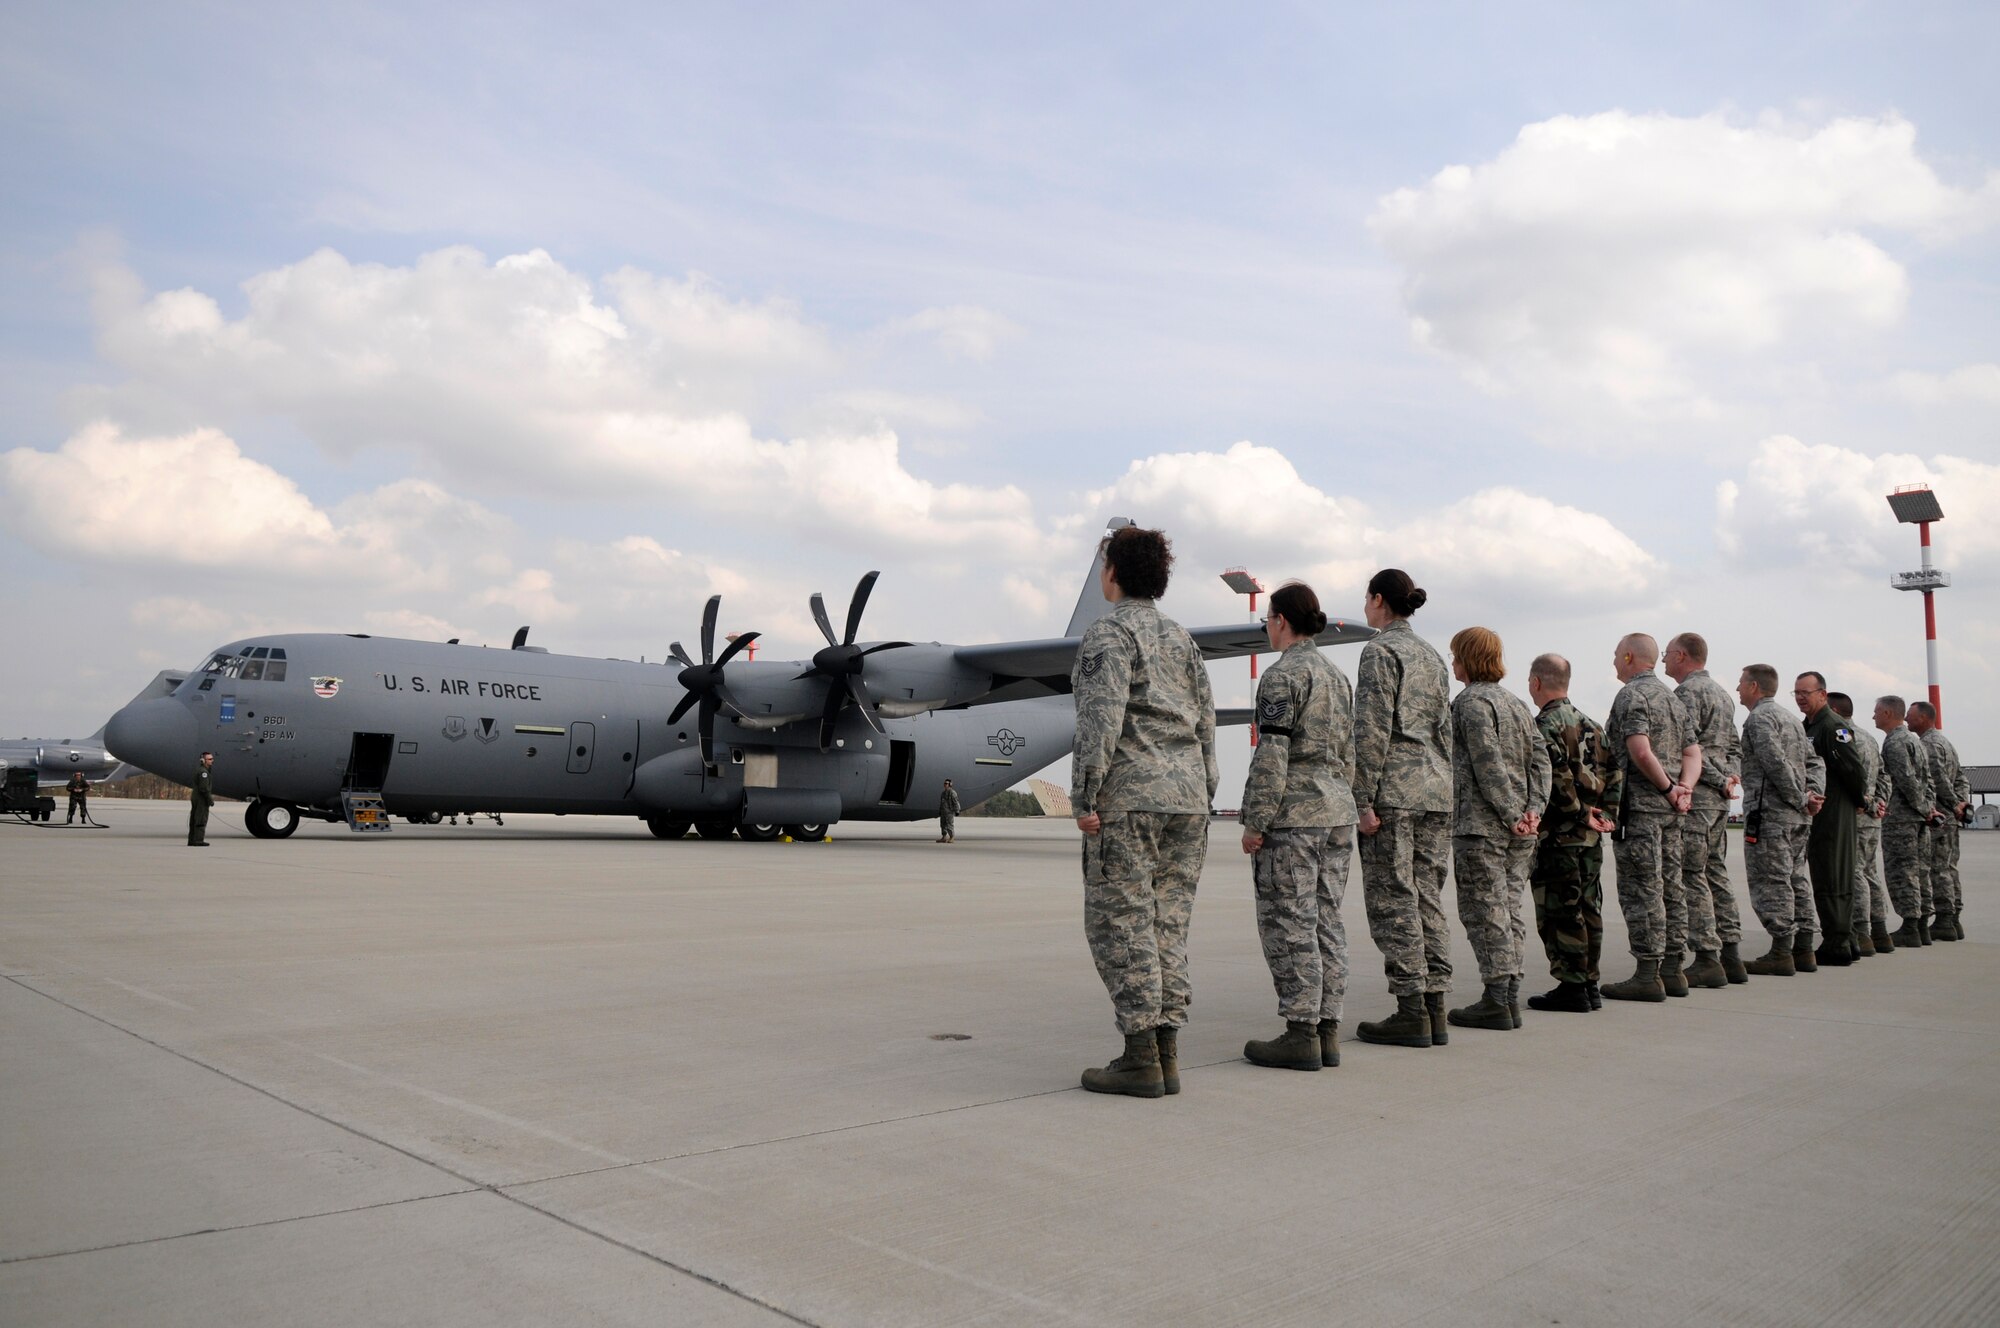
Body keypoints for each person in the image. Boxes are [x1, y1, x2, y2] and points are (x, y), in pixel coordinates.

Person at [1070, 525, 1218, 1098]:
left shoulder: (1108, 634)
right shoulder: (1182, 638)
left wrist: (1085, 796)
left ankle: (1139, 1057)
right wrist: (1205, 787)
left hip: (1130, 799)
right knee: (1167, 923)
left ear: (1113, 573)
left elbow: (1099, 720)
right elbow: (1205, 721)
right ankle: (1167, 1052)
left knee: (1120, 921)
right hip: (1187, 802)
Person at [1237, 582, 1356, 1071]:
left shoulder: (1282, 677)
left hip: (1296, 817)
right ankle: (1328, 1028)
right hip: (1337, 812)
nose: (1266, 627)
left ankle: (1300, 1031)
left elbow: (1272, 754)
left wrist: (1255, 820)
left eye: (1267, 618)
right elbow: (1349, 753)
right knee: (1326, 918)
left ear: (1282, 620)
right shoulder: (1336, 676)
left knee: (1290, 920)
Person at [1350, 569, 1454, 1050]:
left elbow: (1370, 731)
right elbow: (1443, 730)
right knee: (1427, 896)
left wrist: (1362, 799)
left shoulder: (1381, 651)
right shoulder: (1432, 656)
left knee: (1394, 898)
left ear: (1377, 601)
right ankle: (1435, 1006)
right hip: (1434, 788)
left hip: (1395, 790)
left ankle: (1410, 1009)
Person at [1444, 627, 1550, 1031]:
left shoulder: (1470, 704)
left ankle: (1496, 997)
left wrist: (1510, 813)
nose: (1453, 662)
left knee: (1484, 913)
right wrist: (1533, 811)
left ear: (1468, 658)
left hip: (1482, 826)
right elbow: (1542, 761)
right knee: (1508, 911)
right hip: (1520, 830)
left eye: (1456, 655)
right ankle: (1509, 997)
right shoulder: (1518, 704)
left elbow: (1487, 763)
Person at [1601, 634, 1701, 1001]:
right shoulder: (1674, 700)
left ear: (1629, 656)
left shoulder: (1632, 696)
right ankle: (1673, 970)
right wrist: (1683, 789)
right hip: (1672, 813)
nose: (1613, 662)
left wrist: (1666, 788)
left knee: (1642, 890)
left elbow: (1639, 751)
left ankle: (1647, 973)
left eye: (1615, 655)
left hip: (1642, 809)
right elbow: (1693, 752)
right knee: (1672, 887)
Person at [1524, 654, 1621, 1013]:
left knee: (1559, 911)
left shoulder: (1544, 725)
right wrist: (1606, 814)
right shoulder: (1594, 726)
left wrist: (1578, 813)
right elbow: (1615, 772)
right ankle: (1588, 982)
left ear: (1536, 682)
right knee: (1588, 906)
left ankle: (1572, 986)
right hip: (1591, 836)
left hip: (1559, 834)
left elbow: (1555, 777)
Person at [1663, 632, 1743, 986]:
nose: (1664, 660)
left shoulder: (1687, 694)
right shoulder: (1723, 694)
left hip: (1697, 797)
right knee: (1715, 874)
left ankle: (1707, 957)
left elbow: (1688, 748)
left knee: (1692, 876)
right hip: (1719, 801)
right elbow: (1734, 746)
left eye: (1667, 654)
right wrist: (1729, 778)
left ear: (1681, 656)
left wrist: (1715, 779)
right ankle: (1730, 953)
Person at [1737, 666, 1822, 974]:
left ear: (1754, 686)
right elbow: (1814, 762)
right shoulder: (1790, 719)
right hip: (1797, 817)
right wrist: (1813, 795)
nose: (1737, 688)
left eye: (1741, 683)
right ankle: (1803, 949)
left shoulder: (1759, 719)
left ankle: (1781, 951)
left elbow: (1776, 764)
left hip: (1772, 814)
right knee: (1796, 879)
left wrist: (1802, 797)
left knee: (1772, 881)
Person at [1796, 672, 1867, 966]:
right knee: (1825, 870)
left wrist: (1859, 801)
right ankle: (1845, 938)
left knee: (1832, 872)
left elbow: (1853, 769)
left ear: (1823, 695)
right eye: (1796, 693)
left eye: (1806, 693)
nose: (1801, 698)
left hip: (1835, 808)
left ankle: (1837, 942)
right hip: (1821, 809)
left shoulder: (1832, 726)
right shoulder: (1808, 726)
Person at [1830, 693, 1893, 954]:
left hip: (1853, 814)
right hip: (1870, 816)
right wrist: (1879, 802)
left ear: (1833, 710)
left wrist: (1864, 801)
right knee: (1869, 872)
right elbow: (1885, 775)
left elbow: (1848, 771)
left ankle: (1862, 931)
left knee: (1854, 872)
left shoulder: (1842, 734)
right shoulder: (1868, 737)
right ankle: (1879, 929)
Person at [1876, 695, 1936, 947]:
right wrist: (1929, 808)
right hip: (1917, 816)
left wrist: (1923, 808)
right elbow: (1928, 780)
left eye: (1877, 711)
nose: (1874, 716)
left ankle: (1910, 926)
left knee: (1903, 871)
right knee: (1920, 870)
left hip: (1902, 818)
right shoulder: (1914, 741)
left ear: (1888, 714)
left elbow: (1906, 780)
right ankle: (1920, 926)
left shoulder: (1896, 743)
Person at [1910, 702, 1972, 940]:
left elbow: (1938, 780)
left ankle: (1946, 919)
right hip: (1950, 815)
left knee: (1938, 868)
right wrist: (1962, 802)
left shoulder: (1928, 744)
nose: (1906, 719)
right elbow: (1961, 776)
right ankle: (1953, 919)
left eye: (1911, 716)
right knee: (1948, 867)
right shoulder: (1945, 742)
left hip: (1940, 815)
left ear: (1924, 718)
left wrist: (1954, 803)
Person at [188, 751, 215, 847]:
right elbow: (204, 788)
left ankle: (191, 840)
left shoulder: (199, 770)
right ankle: (198, 840)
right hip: (201, 799)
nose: (212, 761)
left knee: (194, 818)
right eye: (210, 759)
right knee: (201, 819)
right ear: (203, 760)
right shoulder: (204, 772)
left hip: (195, 797)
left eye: (212, 759)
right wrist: (210, 800)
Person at [936, 779, 960, 843]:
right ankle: (944, 837)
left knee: (949, 825)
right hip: (943, 812)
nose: (945, 785)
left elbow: (956, 802)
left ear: (950, 784)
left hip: (949, 812)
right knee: (943, 824)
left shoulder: (952, 793)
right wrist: (940, 811)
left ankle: (951, 837)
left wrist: (957, 810)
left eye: (946, 783)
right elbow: (942, 803)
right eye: (944, 783)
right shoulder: (943, 793)